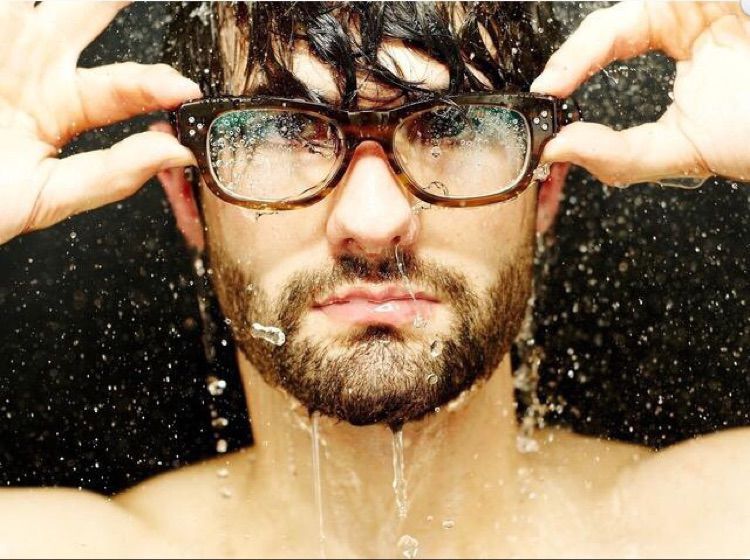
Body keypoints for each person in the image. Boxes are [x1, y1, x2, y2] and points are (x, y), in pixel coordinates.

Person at [1, 1, 749, 557]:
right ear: (187, 195)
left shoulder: (716, 529)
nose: (373, 221)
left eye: (453, 126)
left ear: (545, 182)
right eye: (281, 129)